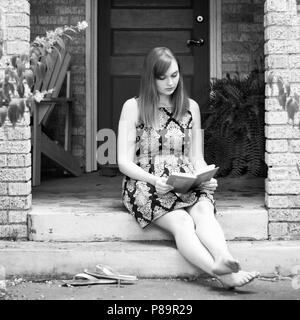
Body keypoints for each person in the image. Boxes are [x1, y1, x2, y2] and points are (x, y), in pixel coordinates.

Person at [117, 47, 259, 289]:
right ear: (150, 78)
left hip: (185, 179)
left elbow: (197, 158)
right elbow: (124, 162)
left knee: (203, 210)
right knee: (182, 221)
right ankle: (224, 275)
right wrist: (154, 181)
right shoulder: (133, 107)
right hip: (145, 182)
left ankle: (223, 257)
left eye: (174, 75)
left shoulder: (190, 107)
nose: (170, 82)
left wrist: (206, 176)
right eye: (162, 77)